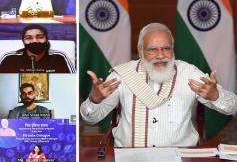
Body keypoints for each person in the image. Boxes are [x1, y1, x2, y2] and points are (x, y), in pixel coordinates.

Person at [80, 23, 237, 147]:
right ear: (140, 50)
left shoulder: (188, 72)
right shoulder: (123, 74)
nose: (161, 55)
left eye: (166, 48)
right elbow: (91, 118)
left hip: (180, 156)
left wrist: (216, 96)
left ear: (172, 48)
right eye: (152, 50)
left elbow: (232, 107)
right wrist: (94, 100)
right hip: (130, 157)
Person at [0, 24, 75, 73]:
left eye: (40, 37)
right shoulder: (9, 58)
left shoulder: (60, 57)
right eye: (29, 38)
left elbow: (73, 82)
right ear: (23, 41)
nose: (35, 41)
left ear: (46, 39)